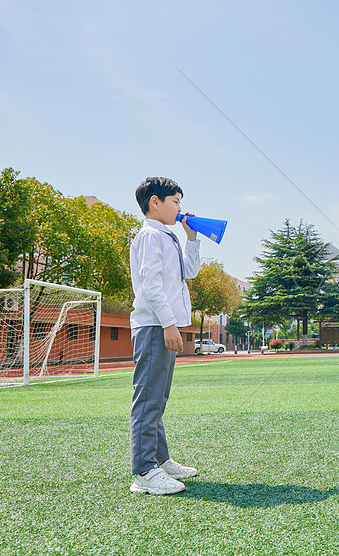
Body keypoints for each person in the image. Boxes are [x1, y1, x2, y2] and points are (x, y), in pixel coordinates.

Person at [128, 177, 201, 495]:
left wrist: (192, 238)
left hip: (162, 324)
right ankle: (144, 471)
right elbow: (151, 284)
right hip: (154, 326)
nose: (180, 208)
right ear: (154, 202)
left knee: (157, 398)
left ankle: (159, 459)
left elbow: (191, 271)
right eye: (175, 201)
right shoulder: (149, 236)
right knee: (147, 399)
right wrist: (170, 325)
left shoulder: (167, 236)